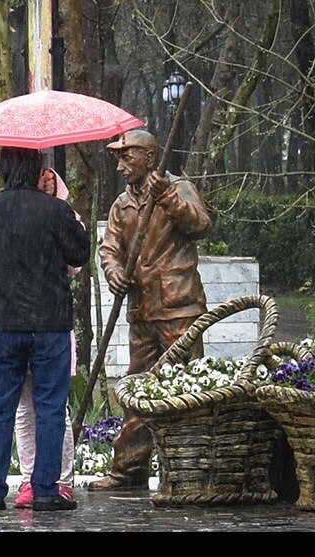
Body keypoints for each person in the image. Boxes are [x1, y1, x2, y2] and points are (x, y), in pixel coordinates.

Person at [88, 129, 212, 491]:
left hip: (178, 306)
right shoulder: (121, 204)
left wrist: (169, 198)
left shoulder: (178, 188)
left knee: (186, 389)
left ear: (150, 158)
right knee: (137, 388)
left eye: (128, 157)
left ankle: (191, 468)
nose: (121, 165)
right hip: (142, 310)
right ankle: (129, 469)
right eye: (118, 159)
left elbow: (201, 224)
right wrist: (113, 272)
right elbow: (109, 247)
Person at [0, 147, 89, 512]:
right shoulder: (54, 211)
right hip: (49, 324)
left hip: (5, 323)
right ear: (39, 170)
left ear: (4, 169)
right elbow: (79, 253)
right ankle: (44, 489)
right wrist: (55, 201)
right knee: (50, 408)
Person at [12, 168, 80, 508]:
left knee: (55, 409)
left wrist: (59, 209)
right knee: (25, 409)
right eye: (40, 178)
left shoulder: (64, 215)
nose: (46, 182)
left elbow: (75, 264)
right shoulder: (10, 212)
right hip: (14, 322)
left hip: (52, 324)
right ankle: (28, 480)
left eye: (51, 179)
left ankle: (59, 480)